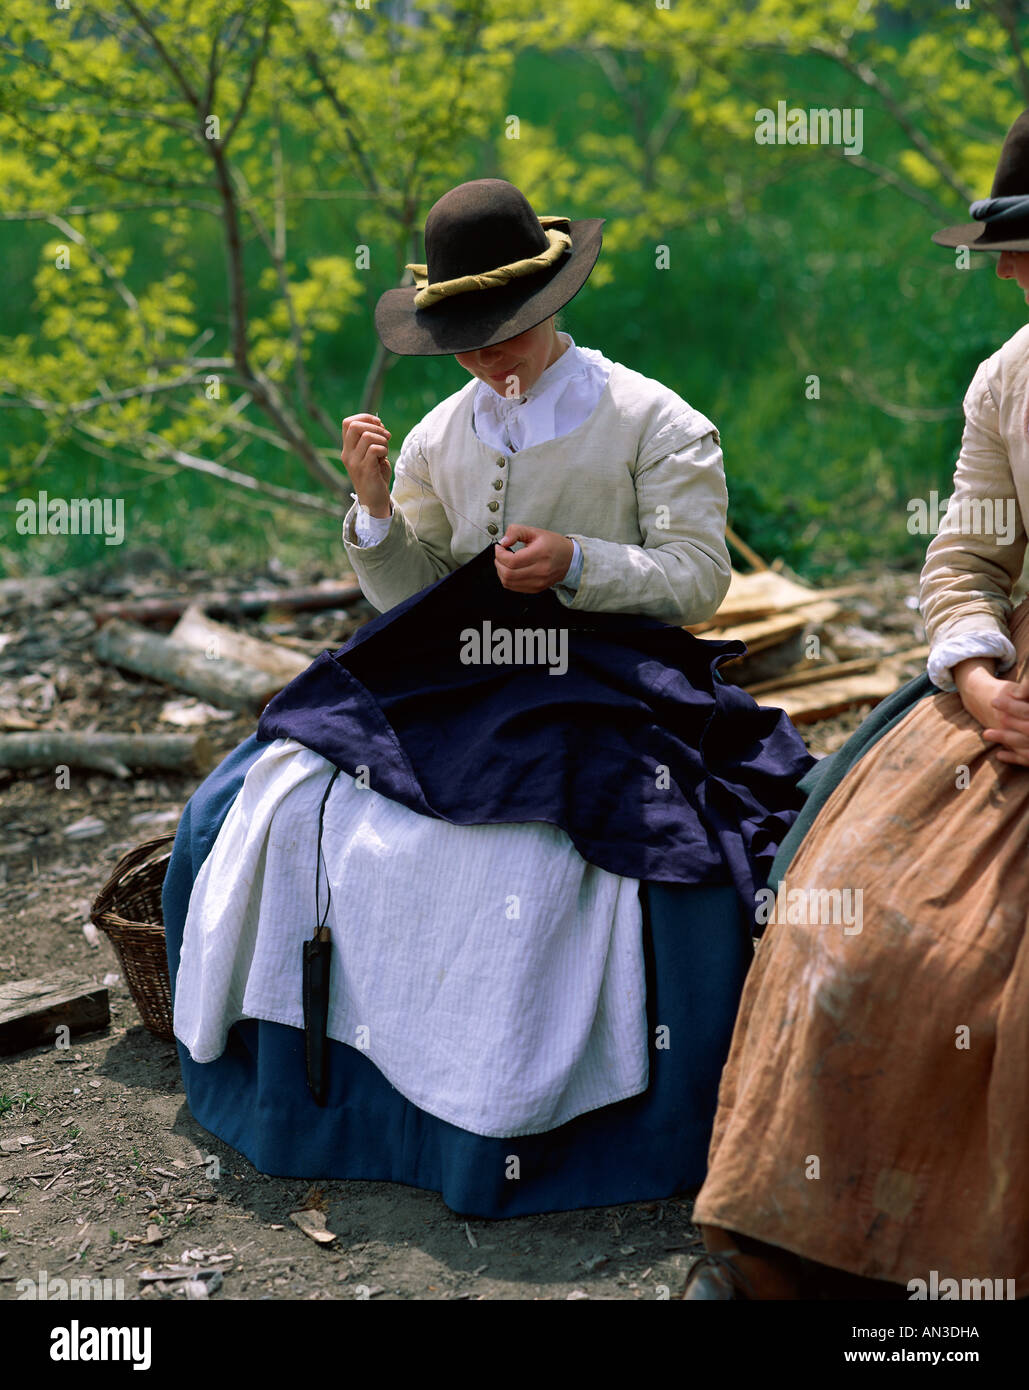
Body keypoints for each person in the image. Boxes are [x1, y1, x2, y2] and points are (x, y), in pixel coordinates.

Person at [162, 178, 814, 1218]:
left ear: (551, 306)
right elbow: (413, 597)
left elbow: (697, 578)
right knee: (274, 790)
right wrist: (374, 512)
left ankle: (550, 1110)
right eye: (464, 343)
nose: (486, 360)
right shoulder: (436, 437)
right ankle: (328, 1081)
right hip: (460, 669)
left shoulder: (658, 421)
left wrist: (579, 562)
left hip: (613, 673)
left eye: (502, 334)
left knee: (581, 843)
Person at [684, 112, 1029, 1299]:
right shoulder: (1010, 379)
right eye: (1011, 254)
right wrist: (978, 674)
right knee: (851, 927)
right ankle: (802, 1242)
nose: (1019, 276)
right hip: (1012, 697)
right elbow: (965, 560)